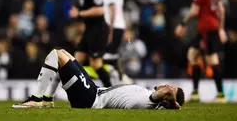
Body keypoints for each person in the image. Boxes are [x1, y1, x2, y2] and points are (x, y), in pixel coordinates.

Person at [12, 49, 185, 109]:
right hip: (94, 92)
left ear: (167, 99)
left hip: (91, 99)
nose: (168, 86)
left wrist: (170, 98)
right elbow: (169, 97)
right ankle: (48, 100)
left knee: (56, 55)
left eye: (171, 91)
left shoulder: (151, 101)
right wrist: (172, 104)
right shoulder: (156, 103)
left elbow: (166, 92)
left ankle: (36, 99)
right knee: (64, 54)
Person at [175, 0, 227, 102]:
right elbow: (220, 9)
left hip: (206, 28)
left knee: (211, 58)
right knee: (192, 54)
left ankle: (221, 95)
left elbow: (194, 10)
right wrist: (221, 29)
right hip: (211, 27)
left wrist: (182, 24)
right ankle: (195, 93)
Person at [69, 0, 111, 87]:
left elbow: (100, 10)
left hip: (98, 30)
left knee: (96, 63)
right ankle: (83, 90)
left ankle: (110, 89)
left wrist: (79, 13)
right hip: (89, 29)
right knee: (77, 59)